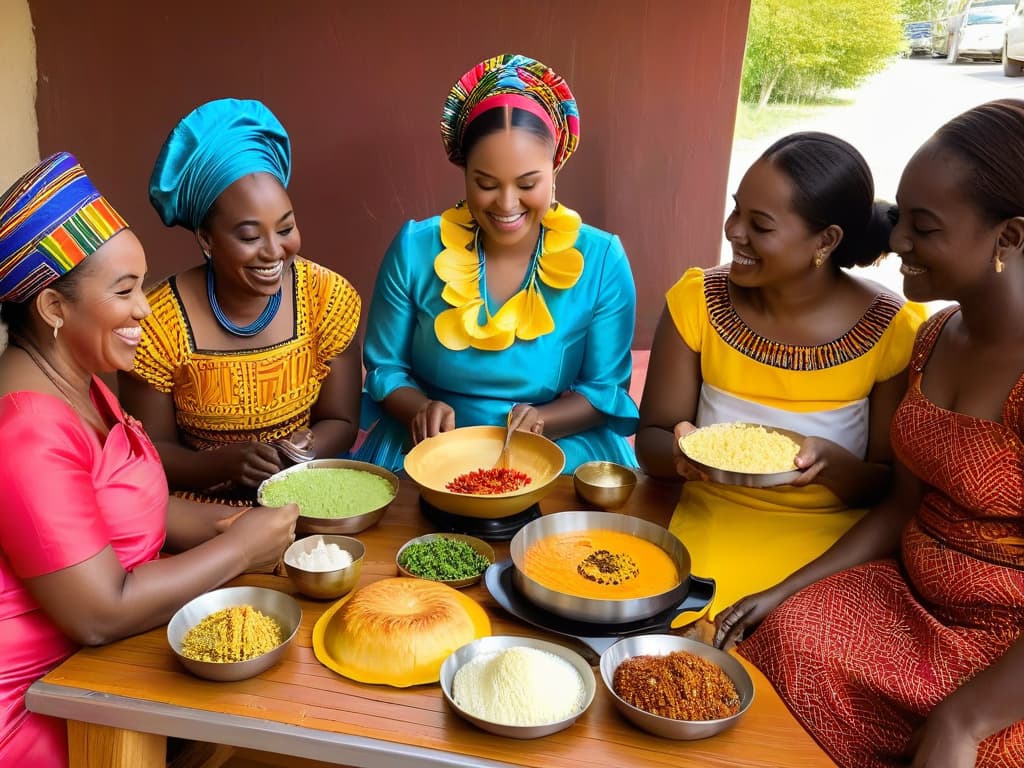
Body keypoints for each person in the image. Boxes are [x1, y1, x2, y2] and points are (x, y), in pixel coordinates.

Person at [721, 99, 1024, 768]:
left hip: (1009, 659)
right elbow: (902, 506)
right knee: (779, 641)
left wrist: (968, 719)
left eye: (924, 226)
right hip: (911, 603)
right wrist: (783, 590)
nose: (897, 241)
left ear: (1010, 238)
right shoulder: (936, 336)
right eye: (901, 215)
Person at [0, 152, 298, 767]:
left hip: (103, 669)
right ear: (54, 309)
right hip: (44, 707)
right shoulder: (24, 431)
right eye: (124, 291)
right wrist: (239, 550)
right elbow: (100, 611)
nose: (145, 309)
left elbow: (134, 506)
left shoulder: (80, 379)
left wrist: (257, 522)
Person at [635, 132, 927, 616]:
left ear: (826, 240)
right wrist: (683, 454)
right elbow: (650, 442)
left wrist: (833, 466)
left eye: (761, 225)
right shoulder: (697, 302)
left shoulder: (892, 330)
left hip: (831, 552)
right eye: (736, 210)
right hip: (706, 523)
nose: (734, 232)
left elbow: (887, 489)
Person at [355, 54, 639, 473]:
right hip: (429, 449)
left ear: (556, 166)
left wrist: (545, 420)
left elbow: (604, 390)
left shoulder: (601, 261)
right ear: (464, 171)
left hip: (557, 449)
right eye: (485, 184)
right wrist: (420, 408)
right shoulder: (415, 249)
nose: (506, 205)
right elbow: (386, 369)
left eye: (528, 184)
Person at [118, 99, 362, 504]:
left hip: (308, 494)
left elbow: (343, 421)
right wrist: (224, 465)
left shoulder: (327, 298)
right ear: (207, 240)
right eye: (250, 237)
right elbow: (152, 453)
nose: (274, 252)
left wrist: (300, 450)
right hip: (199, 514)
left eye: (286, 228)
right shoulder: (156, 324)